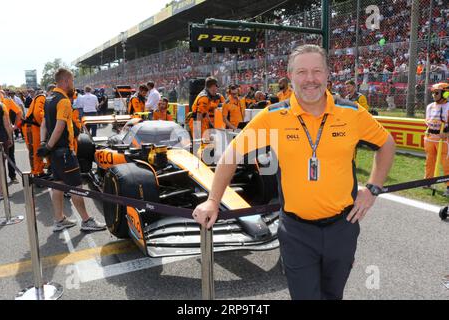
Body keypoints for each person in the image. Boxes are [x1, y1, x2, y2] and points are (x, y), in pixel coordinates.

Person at [192, 44, 396, 300]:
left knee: (333, 295)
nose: (310, 79)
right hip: (297, 232)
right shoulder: (273, 116)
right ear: (290, 76)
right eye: (301, 72)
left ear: (327, 74)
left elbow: (386, 143)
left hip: (343, 227)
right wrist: (213, 200)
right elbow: (231, 154)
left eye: (316, 71)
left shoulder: (352, 113)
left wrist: (374, 188)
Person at [37, 68, 106, 232]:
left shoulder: (48, 99)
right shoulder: (63, 100)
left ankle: (59, 219)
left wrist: (43, 144)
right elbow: (59, 127)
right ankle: (86, 220)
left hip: (54, 152)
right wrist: (48, 146)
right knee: (76, 187)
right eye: (72, 81)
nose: (73, 84)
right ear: (66, 81)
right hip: (64, 151)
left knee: (58, 185)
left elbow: (44, 124)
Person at [423, 82, 449, 195]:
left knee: (446, 163)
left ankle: (448, 186)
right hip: (430, 139)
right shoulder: (430, 106)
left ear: (445, 93)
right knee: (429, 161)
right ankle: (428, 181)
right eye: (433, 93)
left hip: (444, 140)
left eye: (436, 93)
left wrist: (447, 131)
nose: (434, 95)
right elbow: (427, 121)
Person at [23, 85, 54, 177]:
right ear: (49, 92)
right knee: (35, 151)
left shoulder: (45, 99)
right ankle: (37, 173)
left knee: (40, 149)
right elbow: (38, 113)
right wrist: (45, 124)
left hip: (35, 127)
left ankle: (43, 169)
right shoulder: (42, 97)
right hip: (32, 128)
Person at [2, 90, 22, 184]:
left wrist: (15, 126)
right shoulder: (7, 100)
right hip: (7, 132)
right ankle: (11, 177)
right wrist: (15, 126)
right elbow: (19, 112)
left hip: (7, 132)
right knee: (10, 155)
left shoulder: (7, 101)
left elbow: (19, 112)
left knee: (10, 155)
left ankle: (12, 176)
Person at [0, 102, 14, 200]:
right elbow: (7, 124)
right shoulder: (1, 105)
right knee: (1, 165)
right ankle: (1, 191)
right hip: (1, 138)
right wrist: (10, 138)